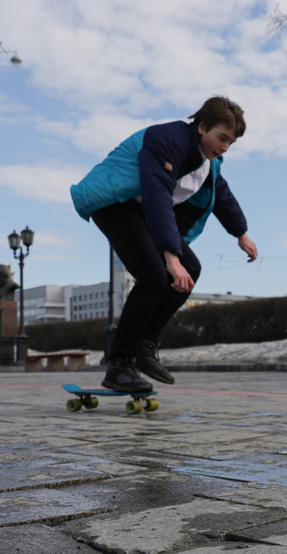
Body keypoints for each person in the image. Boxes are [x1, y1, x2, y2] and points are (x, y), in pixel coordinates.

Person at [71, 96, 258, 392]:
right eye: (222, 138)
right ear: (202, 127)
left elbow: (220, 194)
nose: (225, 148)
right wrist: (171, 257)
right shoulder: (168, 139)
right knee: (153, 276)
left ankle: (144, 346)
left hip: (141, 209)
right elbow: (157, 194)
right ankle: (119, 365)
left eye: (231, 143)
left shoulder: (210, 162)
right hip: (113, 201)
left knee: (191, 268)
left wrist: (241, 233)